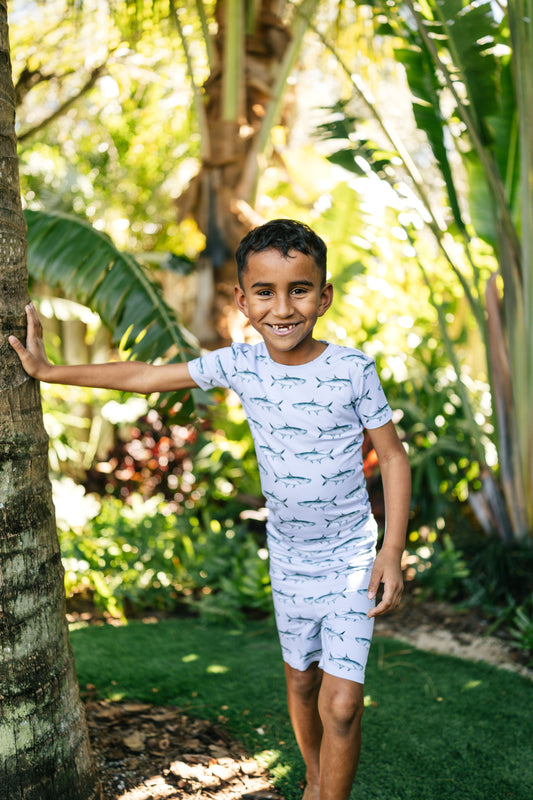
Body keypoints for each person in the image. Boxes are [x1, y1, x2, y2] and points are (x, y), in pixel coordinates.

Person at [10, 218, 411, 800]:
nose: (283, 308)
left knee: (343, 704)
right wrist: (50, 372)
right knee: (301, 682)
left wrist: (390, 551)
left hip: (350, 555)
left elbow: (393, 459)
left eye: (300, 289)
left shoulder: (353, 370)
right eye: (266, 293)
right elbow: (147, 377)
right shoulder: (240, 365)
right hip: (291, 559)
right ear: (242, 300)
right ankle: (317, 776)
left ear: (324, 296)